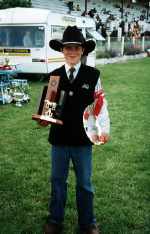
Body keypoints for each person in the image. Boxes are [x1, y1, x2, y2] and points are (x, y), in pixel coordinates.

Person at [39, 26, 110, 234]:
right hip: (59, 140)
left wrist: (104, 128)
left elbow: (100, 105)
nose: (71, 52)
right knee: (58, 181)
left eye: (76, 48)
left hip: (83, 139)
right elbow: (48, 108)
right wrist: (44, 118)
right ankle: (55, 220)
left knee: (85, 184)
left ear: (82, 51)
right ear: (62, 50)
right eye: (67, 48)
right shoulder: (54, 75)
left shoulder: (93, 75)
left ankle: (88, 223)